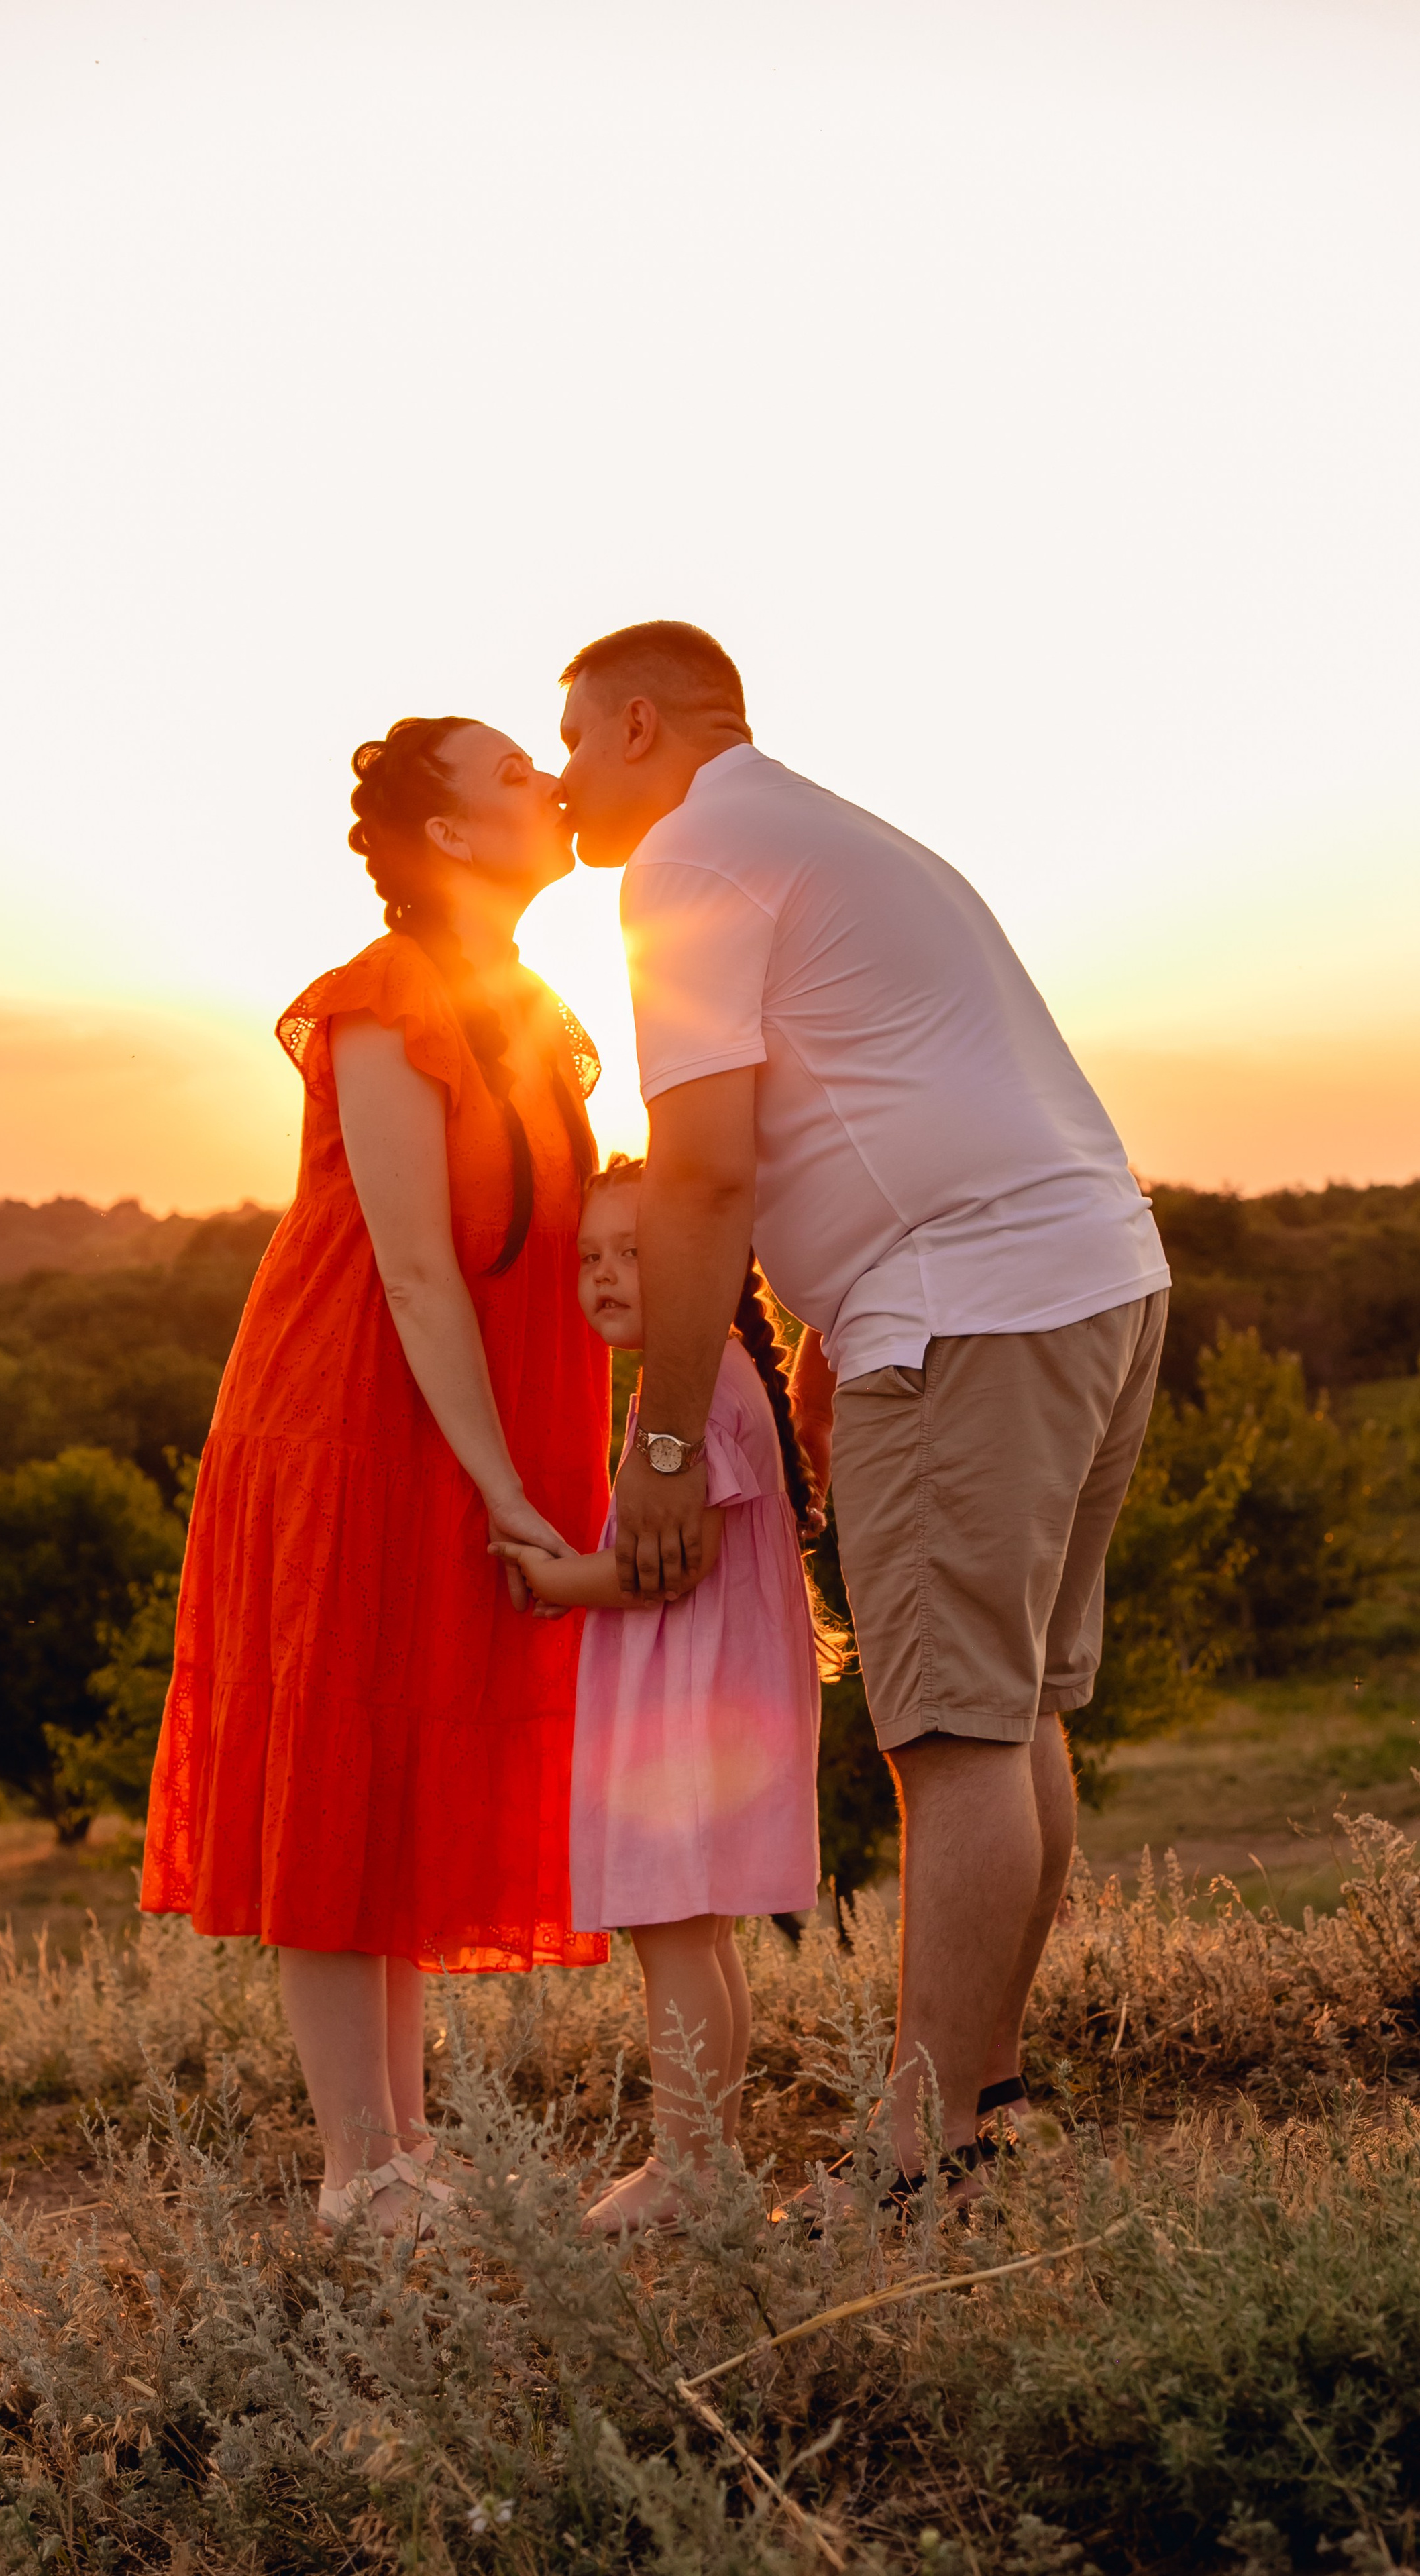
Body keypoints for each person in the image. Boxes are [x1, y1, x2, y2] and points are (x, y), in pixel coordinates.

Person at [555, 621, 1170, 2198]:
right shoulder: (824, 831)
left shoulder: (686, 858)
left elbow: (698, 1171)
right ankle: (983, 2102)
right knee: (1014, 1706)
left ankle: (918, 2151)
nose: (560, 780)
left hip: (968, 1308)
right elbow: (879, 1095)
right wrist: (827, 1337)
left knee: (953, 1731)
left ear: (639, 726)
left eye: (567, 742)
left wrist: (667, 1439)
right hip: (1091, 1274)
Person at [141, 716, 611, 2237]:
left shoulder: (525, 1004)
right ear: (456, 836)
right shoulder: (380, 997)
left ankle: (405, 2154)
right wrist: (506, 1490)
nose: (548, 781)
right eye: (511, 775)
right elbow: (412, 1270)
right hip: (353, 1419)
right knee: (343, 1765)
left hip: (461, 1423)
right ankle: (362, 2170)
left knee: (404, 1768)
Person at [493, 1153, 829, 2234]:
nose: (603, 1275)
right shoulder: (723, 1377)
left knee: (675, 1937)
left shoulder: (688, 1396)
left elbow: (664, 1568)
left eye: (634, 1252)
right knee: (700, 1938)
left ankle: (687, 2168)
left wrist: (552, 1582)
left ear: (711, 1260)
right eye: (591, 1255)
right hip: (720, 1703)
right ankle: (711, 2165)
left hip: (691, 1713)